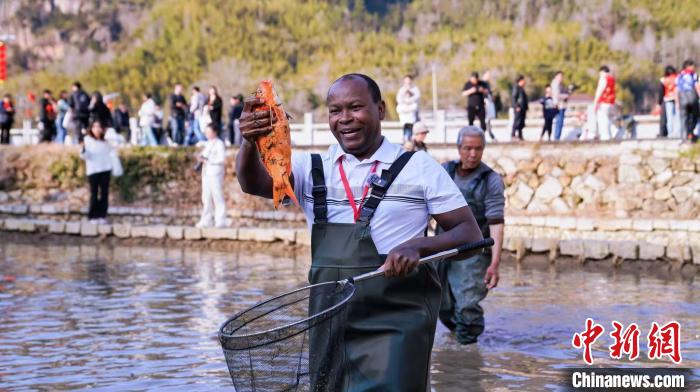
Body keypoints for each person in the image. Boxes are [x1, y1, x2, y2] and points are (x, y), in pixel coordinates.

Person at [237, 73, 482, 391]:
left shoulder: (418, 167)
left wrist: (419, 247)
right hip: (329, 322)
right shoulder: (310, 168)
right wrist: (247, 141)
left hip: (397, 323)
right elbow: (251, 183)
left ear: (380, 110)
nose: (345, 119)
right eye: (335, 110)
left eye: (355, 107)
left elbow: (471, 235)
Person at [438, 126, 504, 345]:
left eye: (478, 149)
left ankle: (468, 356)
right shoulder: (444, 172)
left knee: (466, 305)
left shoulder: (490, 180)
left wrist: (495, 263)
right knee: (441, 304)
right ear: (459, 148)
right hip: (442, 249)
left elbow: (496, 223)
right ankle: (457, 345)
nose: (473, 154)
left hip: (474, 253)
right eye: (468, 148)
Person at [79, 120, 113, 224]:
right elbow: (84, 156)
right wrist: (83, 149)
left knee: (104, 193)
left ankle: (102, 215)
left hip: (105, 169)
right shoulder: (87, 140)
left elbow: (111, 154)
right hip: (93, 170)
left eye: (99, 127)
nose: (97, 129)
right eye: (95, 127)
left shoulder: (106, 141)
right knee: (94, 193)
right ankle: (93, 215)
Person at [196, 123, 228, 228]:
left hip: (215, 173)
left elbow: (222, 159)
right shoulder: (207, 144)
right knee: (206, 198)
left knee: (217, 196)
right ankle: (206, 220)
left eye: (208, 132)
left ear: (214, 132)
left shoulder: (219, 143)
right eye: (206, 132)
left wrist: (208, 160)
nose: (207, 134)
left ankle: (221, 220)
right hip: (206, 174)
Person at [676, 59, 700, 142]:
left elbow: (677, 90)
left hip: (682, 99)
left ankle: (684, 137)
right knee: (695, 116)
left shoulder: (679, 75)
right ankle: (690, 133)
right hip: (692, 98)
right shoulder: (693, 75)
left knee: (683, 118)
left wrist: (677, 102)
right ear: (688, 66)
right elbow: (697, 87)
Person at [593, 65, 616, 140]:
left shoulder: (603, 78)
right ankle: (613, 131)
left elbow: (600, 91)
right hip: (611, 102)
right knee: (608, 118)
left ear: (602, 72)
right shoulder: (612, 79)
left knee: (602, 119)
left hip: (604, 101)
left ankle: (605, 136)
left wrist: (595, 101)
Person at [395, 75, 421, 142]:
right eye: (406, 80)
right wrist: (405, 102)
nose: (407, 82)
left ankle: (409, 143)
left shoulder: (415, 89)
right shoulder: (401, 89)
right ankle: (406, 142)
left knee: (411, 130)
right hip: (404, 116)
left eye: (408, 80)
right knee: (405, 130)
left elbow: (416, 99)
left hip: (412, 116)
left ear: (411, 81)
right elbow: (399, 100)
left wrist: (408, 101)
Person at [659, 66, 681, 138]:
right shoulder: (677, 78)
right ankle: (677, 133)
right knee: (677, 117)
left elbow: (661, 92)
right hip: (676, 99)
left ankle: (670, 133)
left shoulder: (663, 79)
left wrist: (659, 103)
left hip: (668, 99)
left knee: (669, 118)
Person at [550, 71, 570, 140]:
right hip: (558, 105)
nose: (561, 78)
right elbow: (556, 95)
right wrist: (565, 96)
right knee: (559, 121)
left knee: (560, 122)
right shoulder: (555, 84)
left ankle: (557, 137)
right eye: (560, 76)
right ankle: (557, 137)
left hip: (561, 105)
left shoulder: (559, 84)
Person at [511, 75, 528, 141]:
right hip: (518, 108)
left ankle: (520, 135)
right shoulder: (516, 87)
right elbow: (514, 98)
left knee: (521, 122)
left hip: (522, 108)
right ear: (520, 81)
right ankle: (513, 135)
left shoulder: (521, 88)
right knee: (516, 121)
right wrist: (516, 106)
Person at [482, 71, 497, 141]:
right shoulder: (482, 84)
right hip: (485, 104)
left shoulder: (488, 84)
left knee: (488, 121)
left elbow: (489, 94)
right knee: (485, 121)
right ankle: (483, 136)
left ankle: (490, 135)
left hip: (489, 103)